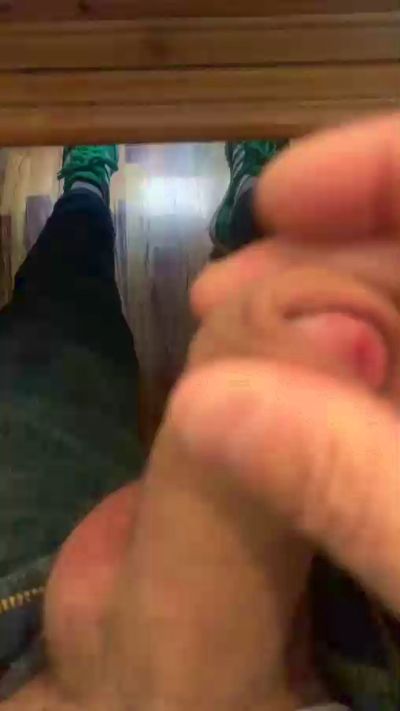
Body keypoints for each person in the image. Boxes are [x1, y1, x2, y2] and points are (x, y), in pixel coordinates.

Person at [0, 115, 400, 710]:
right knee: (275, 264)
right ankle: (248, 195)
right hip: (363, 634)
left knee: (52, 329)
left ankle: (89, 187)